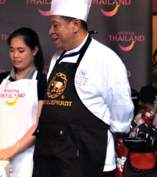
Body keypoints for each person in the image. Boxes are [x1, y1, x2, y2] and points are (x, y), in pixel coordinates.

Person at [32, 0, 134, 177]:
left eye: (55, 25)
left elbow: (122, 110)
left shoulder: (105, 59)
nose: (50, 32)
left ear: (75, 24)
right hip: (52, 159)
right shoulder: (57, 58)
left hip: (88, 160)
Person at [0, 27, 47, 177]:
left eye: (21, 50)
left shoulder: (42, 81)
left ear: (34, 50)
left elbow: (40, 123)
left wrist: (13, 149)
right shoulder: (0, 80)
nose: (15, 56)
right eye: (12, 50)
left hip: (27, 157)